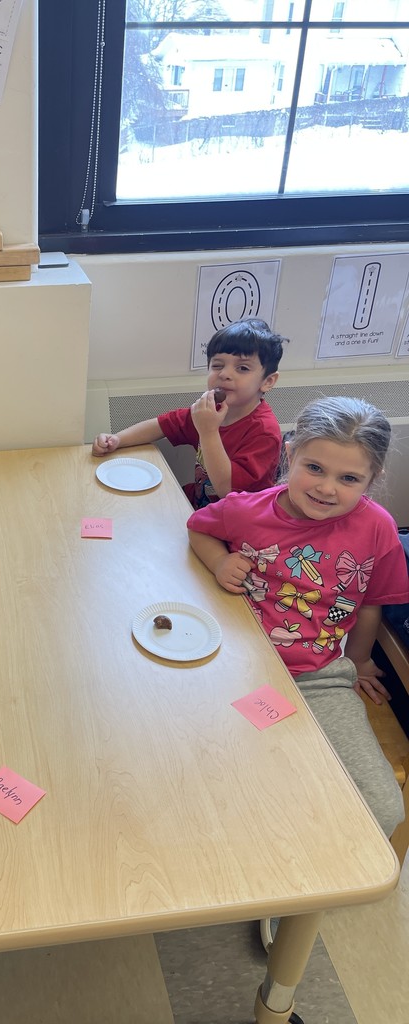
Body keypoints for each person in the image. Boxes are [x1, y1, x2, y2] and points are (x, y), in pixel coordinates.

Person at [187, 396, 409, 845]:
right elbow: (198, 526)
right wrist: (219, 561)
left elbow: (371, 601)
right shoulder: (246, 510)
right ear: (290, 454)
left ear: (373, 478)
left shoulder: (378, 527)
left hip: (319, 680)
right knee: (224, 792)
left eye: (349, 478)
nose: (327, 488)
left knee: (383, 807)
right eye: (315, 468)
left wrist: (359, 660)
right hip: (234, 671)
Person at [92, 318, 287, 509]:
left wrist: (208, 431)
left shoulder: (264, 432)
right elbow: (162, 425)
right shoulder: (209, 411)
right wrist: (117, 439)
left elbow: (228, 492)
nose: (224, 374)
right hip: (199, 505)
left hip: (238, 522)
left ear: (267, 381)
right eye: (217, 365)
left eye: (242, 368)